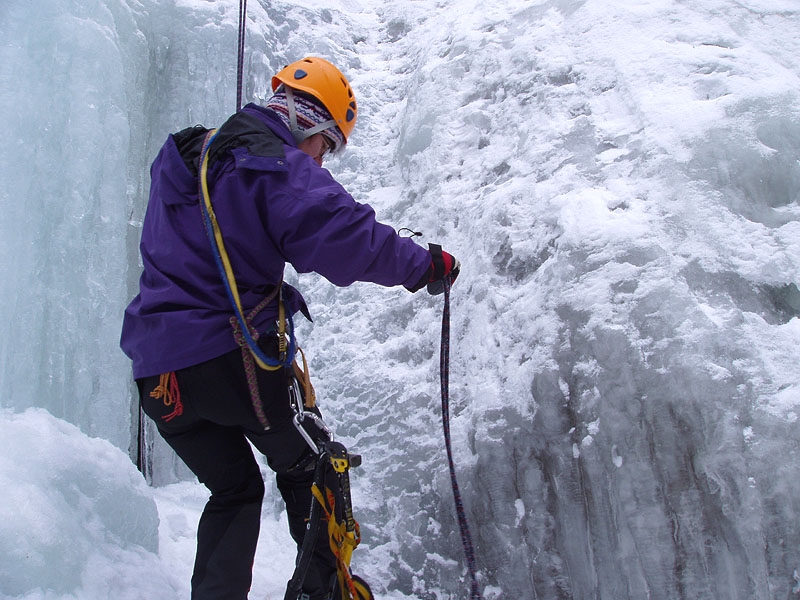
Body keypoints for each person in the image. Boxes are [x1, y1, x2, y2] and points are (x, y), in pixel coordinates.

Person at [120, 56, 459, 600]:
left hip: (159, 376)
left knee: (235, 489)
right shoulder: (272, 165)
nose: (322, 164)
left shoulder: (186, 155)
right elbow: (348, 237)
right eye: (326, 148)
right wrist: (426, 266)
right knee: (317, 467)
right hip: (227, 360)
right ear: (310, 123)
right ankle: (321, 595)